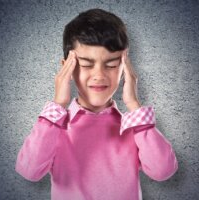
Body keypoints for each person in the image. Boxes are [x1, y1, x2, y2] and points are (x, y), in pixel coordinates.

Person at [15, 8, 178, 200]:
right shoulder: (55, 126)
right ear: (67, 67)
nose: (99, 75)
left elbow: (163, 171)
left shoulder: (132, 127)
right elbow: (29, 171)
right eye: (85, 64)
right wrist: (58, 103)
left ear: (124, 68)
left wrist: (134, 105)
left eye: (111, 65)